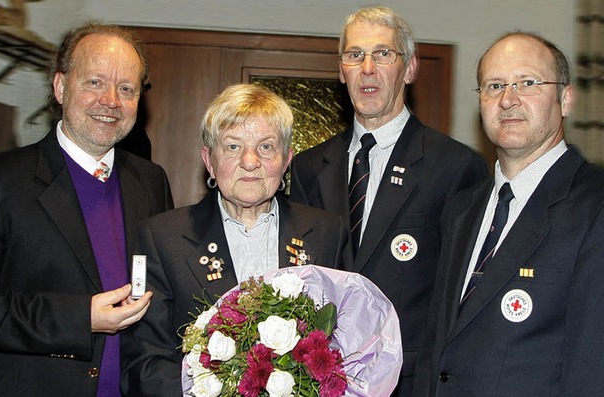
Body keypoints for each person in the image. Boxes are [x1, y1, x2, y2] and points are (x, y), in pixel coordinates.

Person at [0, 24, 174, 397]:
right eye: (95, 82)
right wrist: (81, 318)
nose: (111, 100)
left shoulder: (150, 181)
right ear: (60, 87)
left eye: (126, 89)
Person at [288, 6, 488, 396]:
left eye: (384, 54)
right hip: (321, 379)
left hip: (412, 382)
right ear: (340, 69)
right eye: (355, 55)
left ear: (410, 68)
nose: (367, 68)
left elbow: (465, 296)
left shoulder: (456, 166)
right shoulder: (309, 167)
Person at [120, 83, 349, 396]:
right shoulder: (162, 239)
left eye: (266, 147)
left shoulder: (327, 233)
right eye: (232, 147)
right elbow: (143, 366)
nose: (250, 161)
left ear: (286, 160)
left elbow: (346, 348)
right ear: (209, 160)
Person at [414, 32, 604, 396]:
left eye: (527, 82)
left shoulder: (594, 205)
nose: (508, 99)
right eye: (494, 85)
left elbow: (593, 366)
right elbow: (439, 346)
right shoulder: (462, 209)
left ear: (565, 98)